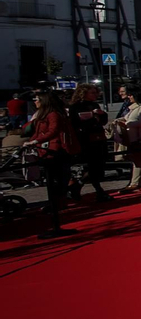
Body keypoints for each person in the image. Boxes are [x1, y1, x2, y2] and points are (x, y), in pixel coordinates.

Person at [26, 91, 80, 237]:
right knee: (53, 178)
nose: (34, 102)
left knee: (58, 177)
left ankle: (60, 199)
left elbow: (53, 131)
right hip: (46, 150)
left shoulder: (53, 114)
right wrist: (31, 141)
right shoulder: (42, 114)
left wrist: (36, 141)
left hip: (56, 150)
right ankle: (57, 201)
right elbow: (38, 132)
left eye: (36, 99)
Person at [66, 85, 111, 202]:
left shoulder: (95, 105)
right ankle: (96, 190)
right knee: (92, 165)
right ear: (83, 93)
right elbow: (74, 123)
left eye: (96, 93)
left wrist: (101, 115)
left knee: (98, 165)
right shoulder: (75, 106)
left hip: (98, 137)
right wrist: (92, 117)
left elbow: (103, 121)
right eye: (92, 93)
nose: (95, 95)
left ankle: (80, 187)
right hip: (85, 139)